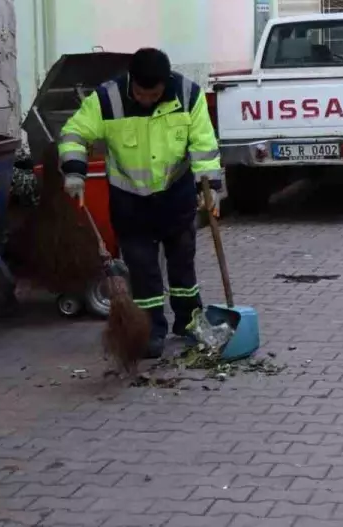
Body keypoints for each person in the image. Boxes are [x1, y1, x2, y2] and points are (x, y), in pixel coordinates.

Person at [58, 48, 223, 358]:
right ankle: (150, 329)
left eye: (154, 94)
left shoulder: (189, 96)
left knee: (182, 265)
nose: (146, 100)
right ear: (131, 81)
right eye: (140, 93)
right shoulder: (107, 99)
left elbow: (204, 145)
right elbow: (73, 134)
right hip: (130, 201)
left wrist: (211, 186)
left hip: (176, 195)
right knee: (144, 270)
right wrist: (74, 172)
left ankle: (189, 321)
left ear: (166, 83)